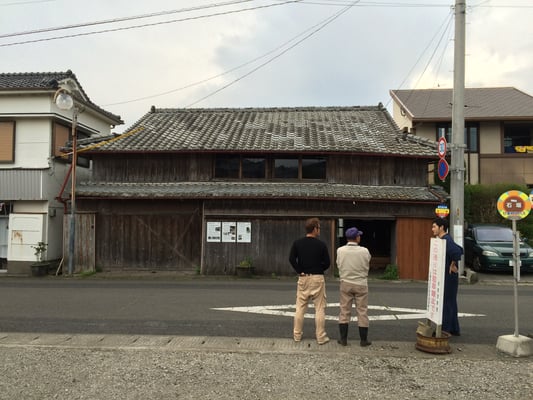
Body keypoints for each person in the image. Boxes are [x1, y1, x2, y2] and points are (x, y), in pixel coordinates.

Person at [289, 217, 331, 345]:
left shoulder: (297, 243)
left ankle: (297, 335)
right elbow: (327, 263)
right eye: (319, 227)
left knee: (300, 307)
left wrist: (299, 270)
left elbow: (291, 259)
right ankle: (320, 337)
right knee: (319, 308)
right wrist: (319, 269)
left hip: (303, 277)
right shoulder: (321, 245)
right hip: (318, 277)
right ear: (314, 229)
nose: (319, 230)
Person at [336, 227, 372, 347]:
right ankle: (363, 340)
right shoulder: (365, 251)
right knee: (362, 311)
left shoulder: (340, 250)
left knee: (344, 310)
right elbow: (367, 262)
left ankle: (343, 339)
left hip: (345, 282)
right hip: (361, 283)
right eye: (359, 235)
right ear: (357, 237)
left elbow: (338, 264)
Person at [431, 218, 464, 336]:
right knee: (451, 302)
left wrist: (453, 264)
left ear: (441, 228)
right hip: (446, 276)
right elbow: (459, 249)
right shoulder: (443, 240)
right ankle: (454, 328)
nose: (432, 229)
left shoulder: (446, 240)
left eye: (434, 227)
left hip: (449, 276)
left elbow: (458, 251)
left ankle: (445, 329)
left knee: (447, 302)